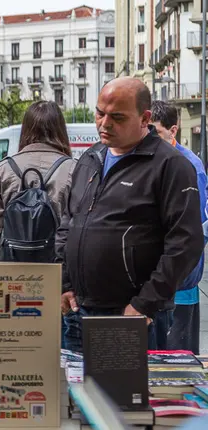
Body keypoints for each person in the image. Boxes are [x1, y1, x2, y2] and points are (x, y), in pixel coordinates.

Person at [57, 78, 204, 352]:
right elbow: (68, 223)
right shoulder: (91, 159)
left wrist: (144, 304)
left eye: (117, 117)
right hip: (77, 314)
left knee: (125, 395)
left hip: (133, 317)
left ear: (145, 118)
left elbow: (185, 242)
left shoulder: (170, 166)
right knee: (76, 394)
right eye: (100, 113)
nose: (104, 123)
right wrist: (64, 283)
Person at [0, 101, 76, 261]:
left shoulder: (3, 169)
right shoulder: (73, 169)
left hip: (13, 272)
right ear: (60, 130)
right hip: (57, 269)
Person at [149, 100, 207, 353]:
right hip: (155, 284)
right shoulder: (152, 160)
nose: (150, 138)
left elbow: (198, 230)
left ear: (173, 131)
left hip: (179, 285)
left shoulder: (191, 166)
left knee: (177, 362)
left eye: (156, 132)